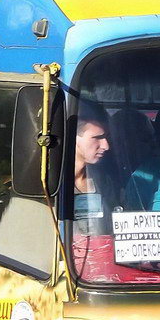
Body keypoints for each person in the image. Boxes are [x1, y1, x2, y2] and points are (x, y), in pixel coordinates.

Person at [73, 101, 115, 235]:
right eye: (98, 138)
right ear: (74, 137)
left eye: (107, 138)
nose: (106, 146)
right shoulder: (51, 184)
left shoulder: (105, 181)